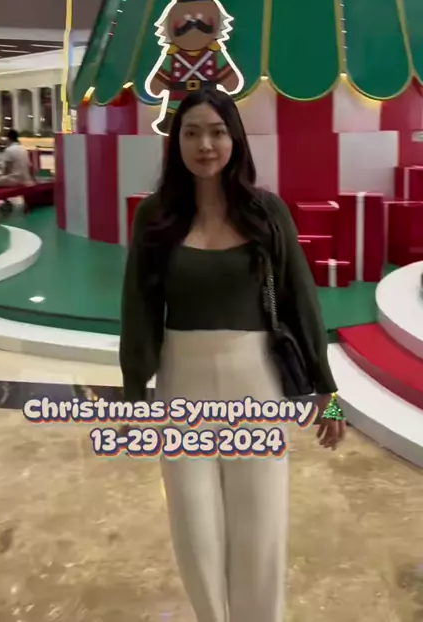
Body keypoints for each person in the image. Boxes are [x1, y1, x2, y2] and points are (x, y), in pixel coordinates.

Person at [119, 86, 345, 622]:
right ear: (176, 142)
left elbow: (302, 302)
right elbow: (139, 310)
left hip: (256, 383)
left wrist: (328, 392)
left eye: (217, 132)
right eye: (192, 133)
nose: (205, 145)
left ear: (235, 139)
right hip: (183, 386)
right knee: (194, 527)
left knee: (260, 526)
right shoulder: (155, 216)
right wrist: (132, 397)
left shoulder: (266, 213)